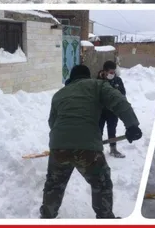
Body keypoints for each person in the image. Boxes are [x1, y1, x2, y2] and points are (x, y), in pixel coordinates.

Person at [39, 65, 142, 219]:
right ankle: (105, 218)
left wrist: (64, 138)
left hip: (58, 147)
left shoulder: (59, 94)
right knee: (101, 184)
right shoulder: (97, 85)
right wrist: (132, 125)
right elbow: (119, 100)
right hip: (87, 148)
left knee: (54, 185)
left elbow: (52, 122)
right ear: (87, 77)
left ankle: (47, 216)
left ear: (71, 79)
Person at [98, 61, 127, 158]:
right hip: (100, 111)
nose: (112, 74)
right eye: (110, 72)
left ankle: (113, 149)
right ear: (105, 71)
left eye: (114, 72)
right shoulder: (97, 80)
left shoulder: (118, 80)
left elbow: (123, 94)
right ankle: (97, 150)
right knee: (98, 131)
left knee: (112, 130)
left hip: (113, 111)